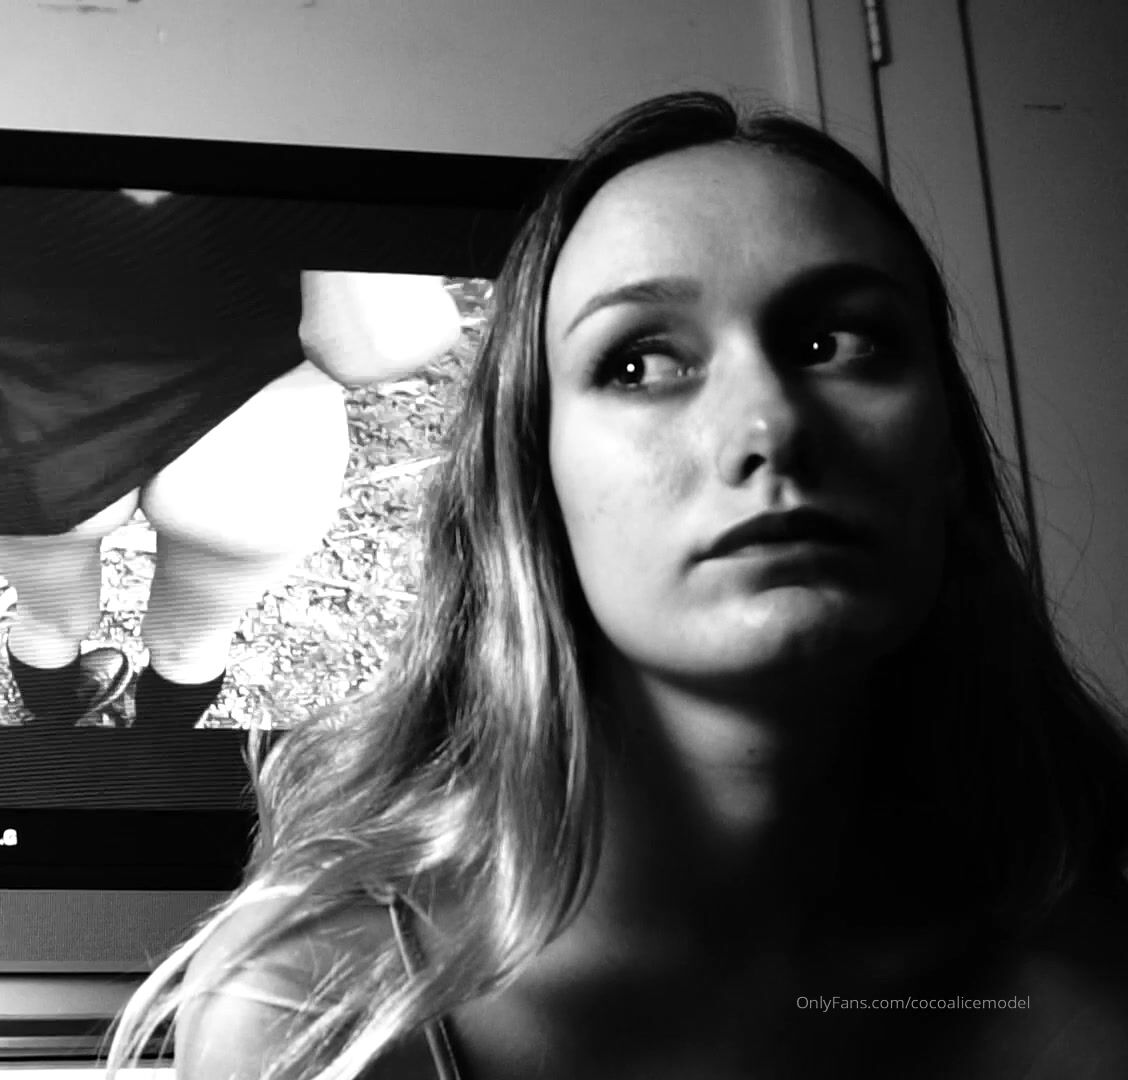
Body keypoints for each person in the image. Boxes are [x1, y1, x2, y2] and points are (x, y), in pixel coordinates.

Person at [103, 91, 1128, 1078]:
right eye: (638, 363)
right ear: (533, 480)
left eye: (836, 344)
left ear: (946, 451)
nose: (768, 426)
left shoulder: (1094, 984)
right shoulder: (321, 1022)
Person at [0, 203, 460, 729]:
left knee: (48, 620)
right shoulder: (325, 94)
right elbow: (373, 341)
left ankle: (60, 733)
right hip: (258, 410)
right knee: (194, 644)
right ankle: (150, 760)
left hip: (21, 404)